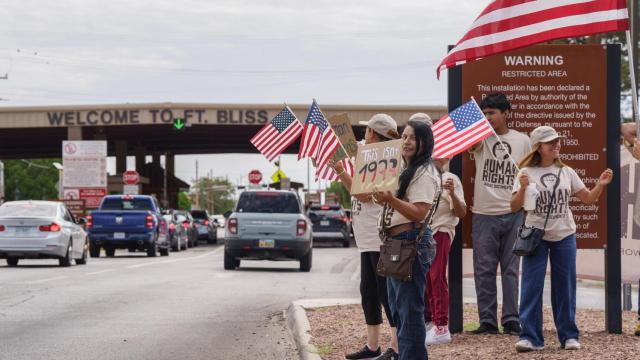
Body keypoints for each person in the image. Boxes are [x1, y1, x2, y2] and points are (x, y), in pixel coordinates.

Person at [511, 126, 613, 352]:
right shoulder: (525, 172)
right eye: (551, 142)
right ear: (539, 147)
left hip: (564, 234)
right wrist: (523, 188)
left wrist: (600, 185)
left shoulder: (566, 171)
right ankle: (530, 337)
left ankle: (568, 336)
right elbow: (514, 206)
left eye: (558, 141)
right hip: (535, 236)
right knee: (530, 287)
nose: (556, 145)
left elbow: (588, 199)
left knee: (564, 286)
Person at [330, 114, 400, 360]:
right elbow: (345, 146)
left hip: (379, 237)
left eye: (367, 130)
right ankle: (372, 346)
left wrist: (340, 171)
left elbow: (361, 194)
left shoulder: (385, 160)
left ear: (374, 133)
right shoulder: (366, 152)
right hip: (365, 239)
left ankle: (396, 346)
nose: (363, 133)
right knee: (368, 292)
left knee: (385, 293)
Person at [373, 119, 439, 359]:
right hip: (396, 245)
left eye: (413, 137)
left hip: (411, 243)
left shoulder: (425, 172)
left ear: (425, 142)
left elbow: (420, 212)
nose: (407, 141)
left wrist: (390, 200)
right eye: (405, 137)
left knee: (409, 311)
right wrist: (386, 200)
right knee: (399, 311)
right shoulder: (404, 169)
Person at [468, 93, 531, 335]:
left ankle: (512, 319)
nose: (488, 117)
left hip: (513, 211)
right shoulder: (481, 138)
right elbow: (470, 146)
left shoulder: (523, 140)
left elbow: (529, 171)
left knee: (512, 269)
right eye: (484, 113)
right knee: (484, 269)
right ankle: (487, 321)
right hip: (484, 213)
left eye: (492, 113)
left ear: (506, 113)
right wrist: (478, 128)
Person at [424, 157, 466, 345]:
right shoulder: (422, 176)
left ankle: (441, 327)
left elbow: (462, 211)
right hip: (423, 233)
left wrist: (452, 193)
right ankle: (432, 323)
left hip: (441, 230)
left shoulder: (450, 178)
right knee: (426, 279)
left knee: (436, 276)